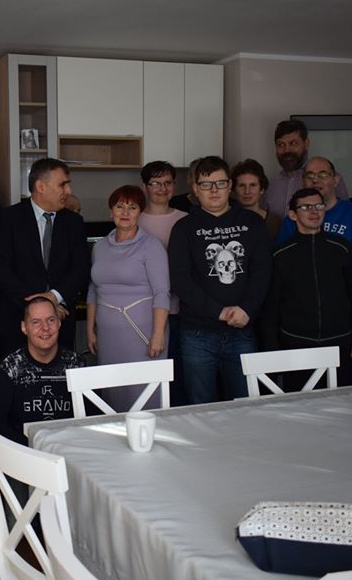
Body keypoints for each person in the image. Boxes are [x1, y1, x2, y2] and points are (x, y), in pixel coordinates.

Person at [168, 156, 271, 403]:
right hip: (197, 334)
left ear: (230, 185)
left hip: (242, 330)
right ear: (195, 188)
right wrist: (219, 311)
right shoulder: (183, 228)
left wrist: (247, 309)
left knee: (246, 403)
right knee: (200, 404)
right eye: (206, 184)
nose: (214, 190)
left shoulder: (252, 223)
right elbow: (180, 280)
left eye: (220, 183)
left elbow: (263, 272)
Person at [276, 157, 352, 383]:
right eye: (310, 175)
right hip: (306, 323)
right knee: (304, 390)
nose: (316, 180)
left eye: (323, 174)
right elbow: (283, 264)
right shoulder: (291, 221)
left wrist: (335, 250)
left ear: (335, 180)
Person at [262, 188, 352, 389]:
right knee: (299, 402)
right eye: (306, 207)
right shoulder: (281, 254)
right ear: (293, 215)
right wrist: (272, 347)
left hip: (339, 341)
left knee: (340, 401)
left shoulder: (342, 247)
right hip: (296, 342)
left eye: (319, 206)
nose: (314, 211)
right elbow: (272, 306)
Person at [0, 158, 89, 361]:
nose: (69, 191)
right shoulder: (7, 219)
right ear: (40, 186)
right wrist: (42, 305)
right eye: (62, 184)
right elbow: (1, 269)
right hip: (15, 320)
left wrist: (54, 297)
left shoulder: (74, 222)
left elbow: (81, 269)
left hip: (60, 321)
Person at [86, 185, 170, 411]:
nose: (125, 212)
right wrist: (90, 330)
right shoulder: (100, 246)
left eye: (132, 207)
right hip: (108, 335)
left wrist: (158, 334)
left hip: (142, 334)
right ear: (111, 210)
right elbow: (93, 288)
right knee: (112, 393)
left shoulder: (151, 245)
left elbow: (162, 292)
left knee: (143, 393)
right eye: (119, 206)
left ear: (140, 212)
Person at [0, 297, 83, 445]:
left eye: (51, 320)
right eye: (36, 322)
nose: (45, 328)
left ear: (59, 323)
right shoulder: (10, 367)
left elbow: (94, 418)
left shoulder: (76, 364)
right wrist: (31, 449)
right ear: (24, 327)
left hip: (69, 448)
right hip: (23, 451)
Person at [137, 161, 188, 404]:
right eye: (156, 183)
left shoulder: (186, 220)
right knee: (145, 374)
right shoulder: (133, 219)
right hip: (141, 311)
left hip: (178, 310)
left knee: (175, 373)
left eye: (167, 183)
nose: (162, 188)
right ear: (144, 187)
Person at [265, 120, 347, 217]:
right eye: (281, 145)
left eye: (293, 143)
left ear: (306, 144)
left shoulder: (329, 180)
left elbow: (345, 216)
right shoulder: (271, 185)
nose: (287, 150)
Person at [231, 158, 283, 240]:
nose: (247, 191)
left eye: (253, 185)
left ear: (261, 189)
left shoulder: (275, 222)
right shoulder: (227, 220)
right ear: (234, 190)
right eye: (241, 185)